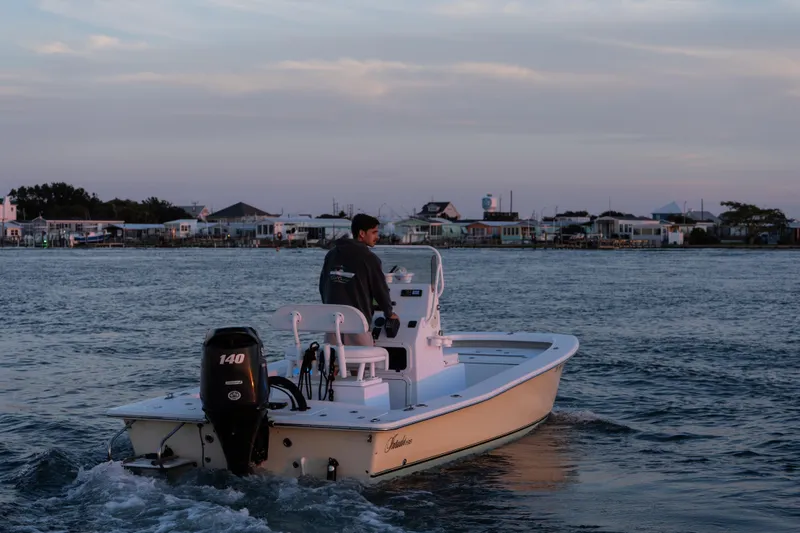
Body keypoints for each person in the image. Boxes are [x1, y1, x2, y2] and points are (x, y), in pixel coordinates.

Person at [319, 214, 399, 346]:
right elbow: (380, 290)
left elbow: (323, 286)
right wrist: (389, 313)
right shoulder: (369, 258)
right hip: (357, 325)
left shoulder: (332, 254)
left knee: (335, 364)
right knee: (364, 365)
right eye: (374, 232)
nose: (377, 237)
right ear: (362, 233)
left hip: (332, 324)